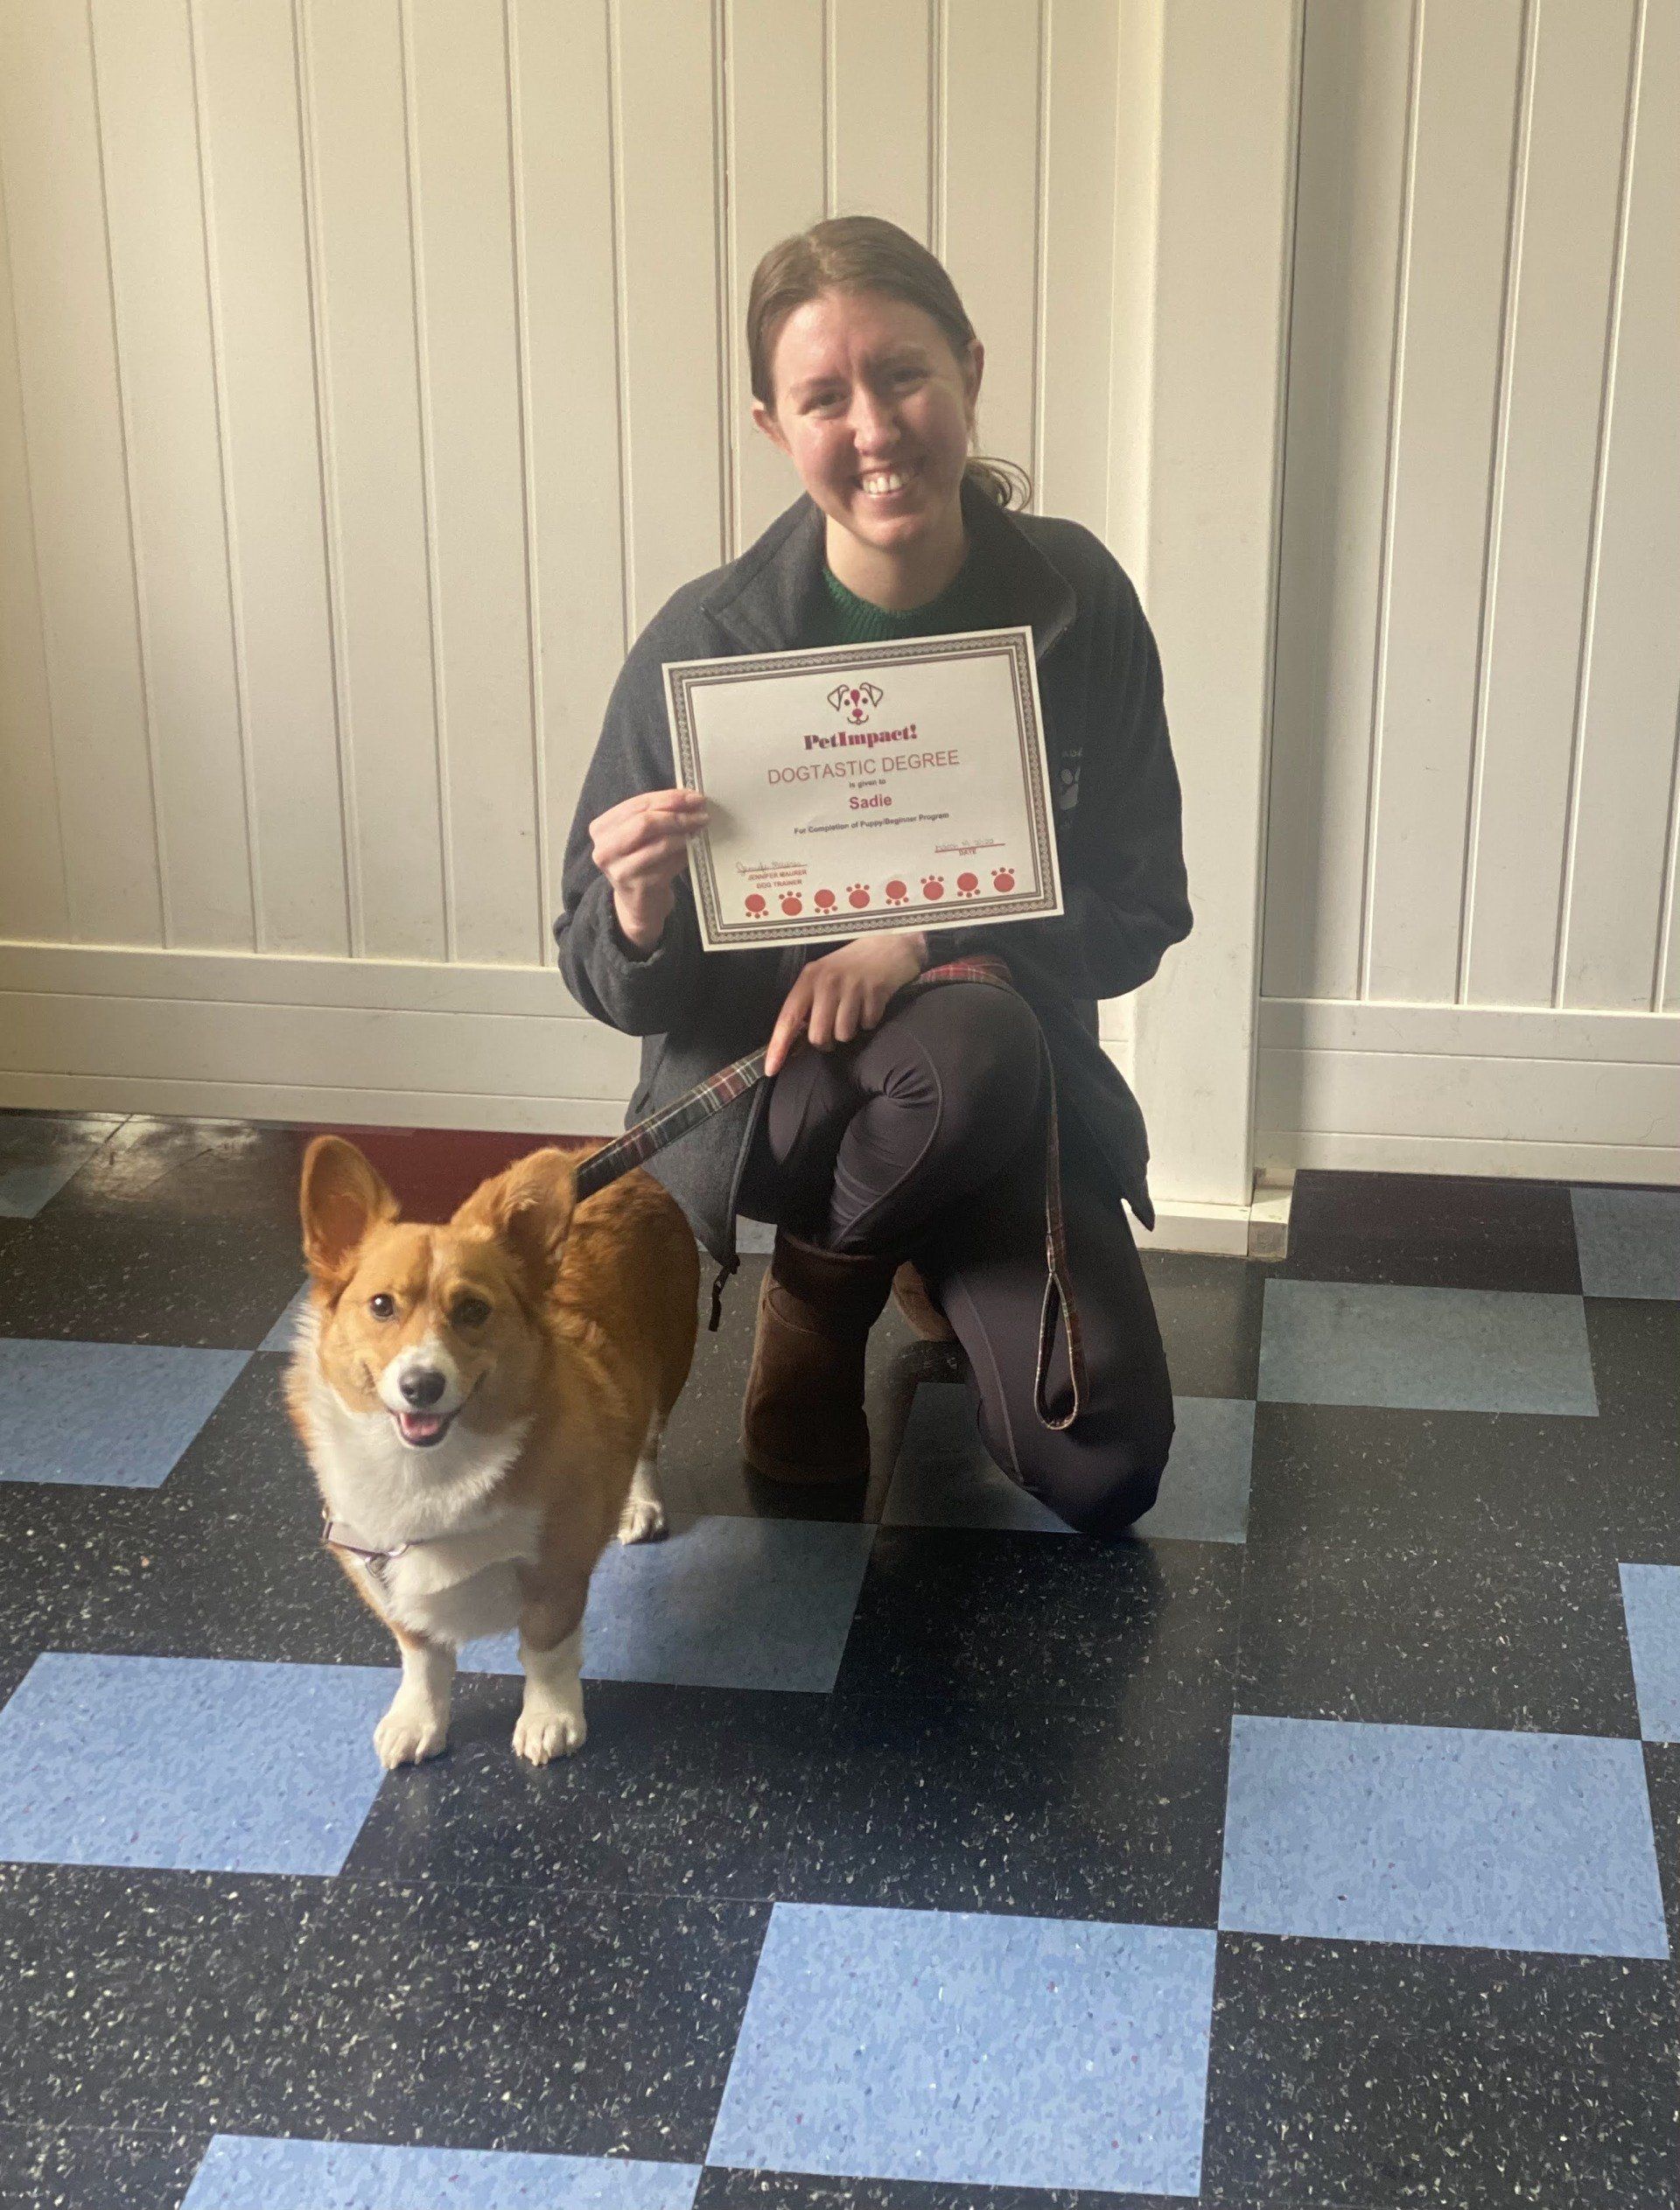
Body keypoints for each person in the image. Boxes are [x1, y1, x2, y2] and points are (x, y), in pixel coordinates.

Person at [555, 214, 1192, 1538]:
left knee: (1105, 1466)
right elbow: (601, 968)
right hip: (782, 1098)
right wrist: (638, 908)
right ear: (771, 425)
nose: (877, 425)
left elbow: (1144, 905)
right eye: (824, 396)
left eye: (903, 374)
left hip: (1013, 1094)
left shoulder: (1077, 600)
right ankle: (818, 1306)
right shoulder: (705, 636)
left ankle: (901, 1244)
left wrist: (927, 937)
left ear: (969, 368)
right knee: (959, 1055)